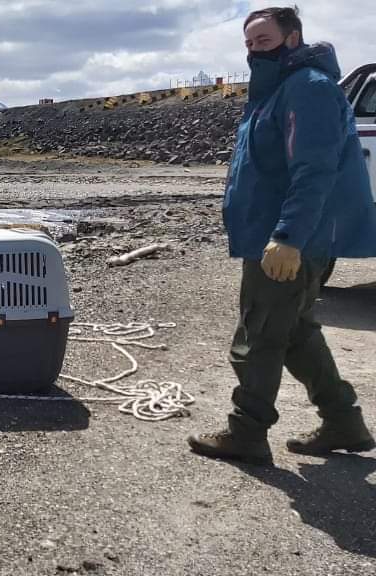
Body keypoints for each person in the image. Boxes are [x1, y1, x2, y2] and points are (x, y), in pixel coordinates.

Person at [187, 6, 376, 465]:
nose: (254, 50)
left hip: (288, 240)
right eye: (249, 44)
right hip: (278, 236)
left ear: (292, 39)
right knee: (297, 334)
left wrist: (288, 235)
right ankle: (343, 422)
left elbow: (314, 170)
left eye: (264, 41)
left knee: (259, 335)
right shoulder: (277, 90)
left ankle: (247, 433)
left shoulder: (307, 89)